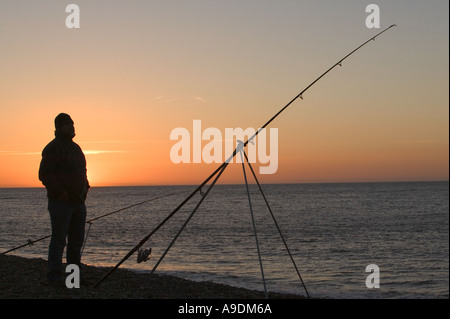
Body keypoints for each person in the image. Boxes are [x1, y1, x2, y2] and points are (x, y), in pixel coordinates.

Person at [38, 113, 90, 286]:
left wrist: (85, 188)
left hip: (78, 203)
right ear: (59, 128)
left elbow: (83, 171)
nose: (72, 127)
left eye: (73, 124)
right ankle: (54, 277)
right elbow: (44, 174)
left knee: (76, 242)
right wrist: (61, 193)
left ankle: (73, 279)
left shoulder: (76, 148)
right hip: (60, 203)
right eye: (68, 124)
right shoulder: (53, 148)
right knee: (59, 240)